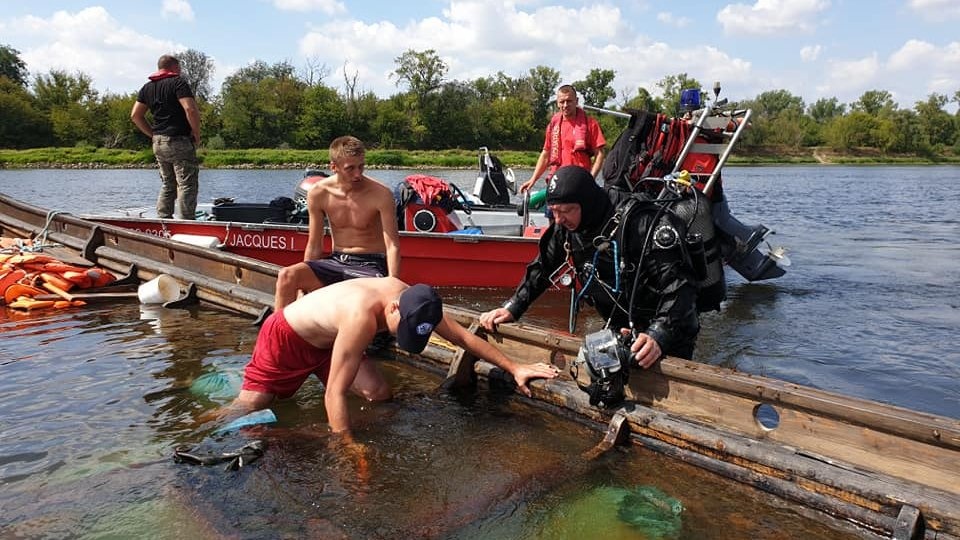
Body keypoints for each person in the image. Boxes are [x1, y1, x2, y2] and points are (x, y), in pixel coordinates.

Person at [229, 277, 560, 433]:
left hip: (330, 341)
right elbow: (334, 393)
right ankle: (210, 425)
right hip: (287, 336)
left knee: (379, 394)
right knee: (254, 405)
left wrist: (515, 367)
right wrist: (347, 448)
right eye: (396, 329)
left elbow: (465, 339)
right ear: (391, 308)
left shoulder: (420, 303)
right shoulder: (361, 318)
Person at [479, 166, 704, 367]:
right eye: (553, 211)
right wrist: (513, 306)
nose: (558, 220)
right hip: (621, 326)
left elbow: (680, 285)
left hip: (670, 327)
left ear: (586, 203)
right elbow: (542, 268)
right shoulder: (567, 227)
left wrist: (658, 335)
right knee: (605, 386)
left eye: (566, 211)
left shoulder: (640, 222)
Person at [273, 136, 401, 312]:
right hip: (336, 260)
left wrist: (393, 285)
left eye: (361, 166)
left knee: (357, 301)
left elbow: (392, 245)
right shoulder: (318, 193)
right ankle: (279, 331)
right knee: (287, 276)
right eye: (350, 168)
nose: (358, 174)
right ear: (334, 167)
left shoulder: (381, 194)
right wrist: (303, 289)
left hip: (370, 266)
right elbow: (315, 244)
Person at [131, 54, 201, 220]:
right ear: (175, 67)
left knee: (168, 183)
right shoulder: (178, 83)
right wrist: (196, 133)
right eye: (180, 68)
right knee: (186, 184)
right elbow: (190, 109)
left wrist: (152, 134)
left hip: (159, 142)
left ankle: (163, 219)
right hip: (179, 140)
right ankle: (186, 222)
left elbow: (135, 115)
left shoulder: (147, 87)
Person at [518, 85, 607, 194]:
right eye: (562, 102)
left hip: (579, 184)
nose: (565, 105)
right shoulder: (553, 125)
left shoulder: (590, 124)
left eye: (569, 101)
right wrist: (533, 180)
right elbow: (546, 154)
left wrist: (590, 179)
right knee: (550, 210)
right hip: (556, 183)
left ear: (576, 101)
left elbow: (600, 154)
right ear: (557, 103)